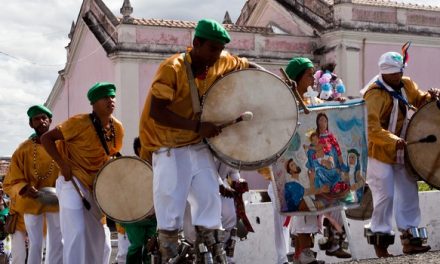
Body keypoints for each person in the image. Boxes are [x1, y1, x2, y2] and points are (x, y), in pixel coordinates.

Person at [138, 19, 260, 263]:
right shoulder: (171, 68)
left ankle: (210, 253)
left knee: (208, 201)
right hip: (169, 147)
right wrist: (197, 126)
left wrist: (281, 85)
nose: (217, 55)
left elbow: (248, 65)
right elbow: (157, 112)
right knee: (171, 213)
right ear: (196, 43)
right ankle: (168, 253)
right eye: (212, 49)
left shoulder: (220, 59)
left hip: (198, 145)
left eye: (220, 49)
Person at [361, 50, 439, 257]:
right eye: (391, 73)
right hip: (378, 151)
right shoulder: (374, 94)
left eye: (397, 72)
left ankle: (411, 239)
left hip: (402, 149)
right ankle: (381, 239)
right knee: (385, 192)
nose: (395, 76)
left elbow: (419, 99)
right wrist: (394, 141)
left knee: (408, 191)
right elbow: (370, 128)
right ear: (382, 73)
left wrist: (431, 96)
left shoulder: (406, 84)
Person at [41, 82, 124, 264]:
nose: (110, 100)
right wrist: (63, 164)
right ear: (94, 103)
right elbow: (46, 138)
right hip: (72, 181)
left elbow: (110, 156)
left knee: (99, 238)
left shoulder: (117, 128)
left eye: (112, 96)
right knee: (76, 231)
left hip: (96, 186)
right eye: (105, 97)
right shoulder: (78, 123)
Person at [285, 57, 351, 263]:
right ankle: (302, 255)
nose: (313, 78)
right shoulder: (285, 103)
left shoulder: (316, 102)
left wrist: (336, 104)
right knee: (303, 210)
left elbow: (326, 119)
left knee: (325, 203)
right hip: (296, 165)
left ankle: (326, 245)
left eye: (314, 73)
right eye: (308, 74)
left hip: (318, 165)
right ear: (295, 80)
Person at [4, 105, 63, 264]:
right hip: (31, 202)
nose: (41, 121)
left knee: (57, 242)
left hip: (56, 200)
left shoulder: (61, 146)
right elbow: (13, 178)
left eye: (44, 118)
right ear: (31, 124)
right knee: (36, 243)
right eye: (36, 119)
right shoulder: (23, 149)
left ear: (50, 121)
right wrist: (24, 187)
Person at [122, 137, 157, 264]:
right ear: (139, 149)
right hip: (134, 218)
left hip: (154, 217)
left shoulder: (159, 167)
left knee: (151, 248)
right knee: (136, 246)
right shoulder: (130, 168)